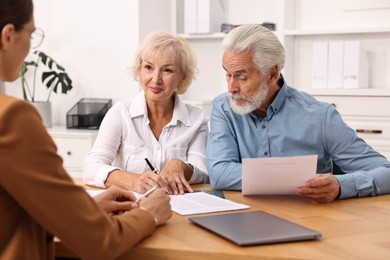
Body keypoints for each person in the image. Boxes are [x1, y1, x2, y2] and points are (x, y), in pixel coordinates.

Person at [0, 1, 172, 259]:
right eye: (31, 34)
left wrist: (85, 207)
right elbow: (101, 242)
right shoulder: (12, 118)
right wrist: (148, 214)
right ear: (8, 36)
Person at [206, 24, 390, 203]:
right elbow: (220, 173)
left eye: (241, 77)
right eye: (228, 74)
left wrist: (340, 185)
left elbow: (385, 171)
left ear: (271, 74)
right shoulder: (224, 108)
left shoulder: (320, 116)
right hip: (242, 218)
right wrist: (294, 177)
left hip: (313, 219)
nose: (231, 88)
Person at [83, 31, 208, 195]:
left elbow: (203, 172)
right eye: (149, 67)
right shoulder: (120, 113)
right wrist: (133, 181)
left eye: (167, 70)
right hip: (129, 208)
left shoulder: (197, 119)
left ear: (183, 77)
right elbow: (92, 167)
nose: (156, 79)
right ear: (140, 69)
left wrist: (180, 165)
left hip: (178, 207)